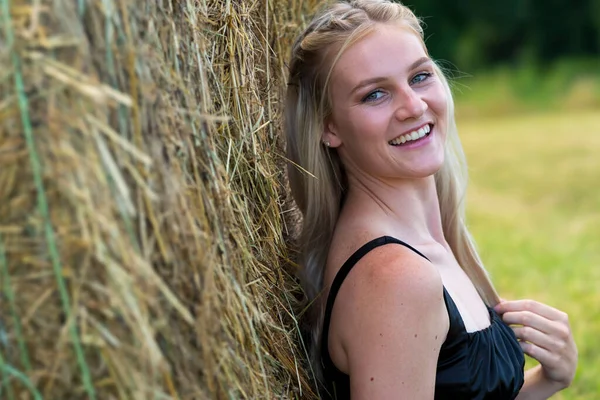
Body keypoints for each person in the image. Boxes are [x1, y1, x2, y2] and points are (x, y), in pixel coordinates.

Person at [284, 0, 578, 399]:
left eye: (420, 76)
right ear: (328, 126)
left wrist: (545, 382)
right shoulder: (396, 281)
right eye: (374, 95)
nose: (414, 106)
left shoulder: (424, 249)